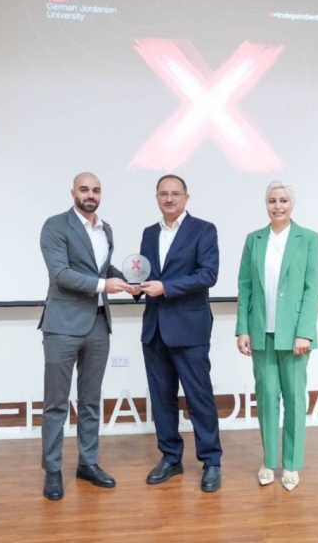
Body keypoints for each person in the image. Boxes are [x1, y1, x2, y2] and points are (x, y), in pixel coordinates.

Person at [38, 172, 134, 501]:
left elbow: (103, 271)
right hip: (62, 324)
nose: (90, 195)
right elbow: (60, 274)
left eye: (95, 190)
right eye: (84, 189)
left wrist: (130, 280)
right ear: (73, 193)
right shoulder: (55, 225)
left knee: (91, 401)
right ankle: (53, 470)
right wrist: (104, 285)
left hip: (98, 324)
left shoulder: (106, 229)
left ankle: (88, 463)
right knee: (56, 403)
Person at [136, 175, 223, 492]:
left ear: (187, 197)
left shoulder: (204, 229)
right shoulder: (149, 233)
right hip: (155, 329)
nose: (169, 198)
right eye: (163, 193)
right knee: (161, 399)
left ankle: (211, 461)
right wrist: (135, 287)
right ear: (157, 198)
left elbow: (208, 275)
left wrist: (166, 287)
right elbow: (146, 273)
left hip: (190, 328)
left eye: (175, 193)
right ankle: (171, 457)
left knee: (199, 398)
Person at [235, 181, 318, 492]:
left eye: (283, 200)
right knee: (267, 398)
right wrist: (243, 328)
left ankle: (292, 464)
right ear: (266, 205)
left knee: (295, 399)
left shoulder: (308, 238)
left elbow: (313, 288)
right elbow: (244, 286)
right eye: (272, 200)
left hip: (295, 336)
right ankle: (269, 461)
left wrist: (304, 333)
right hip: (261, 333)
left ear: (292, 205)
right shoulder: (254, 239)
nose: (278, 206)